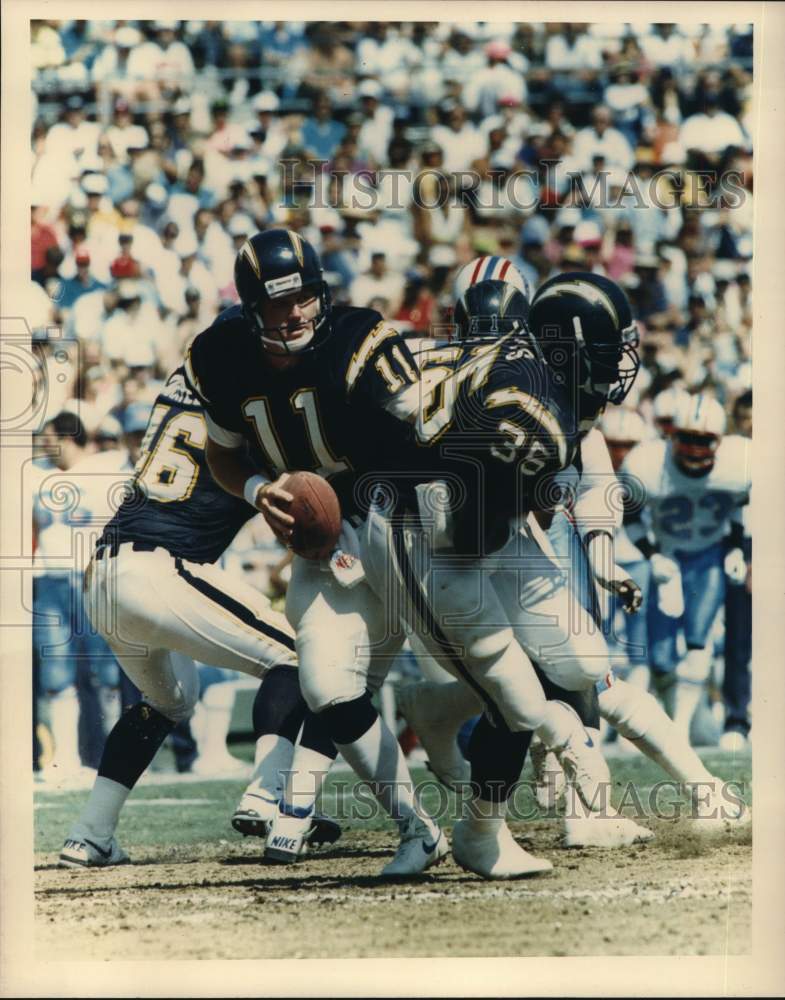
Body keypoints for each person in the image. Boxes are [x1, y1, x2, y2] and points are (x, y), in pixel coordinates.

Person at [183, 228, 446, 877]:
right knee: (328, 687)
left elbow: (431, 437)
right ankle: (418, 828)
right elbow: (220, 455)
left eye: (303, 296)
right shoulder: (220, 355)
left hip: (402, 524)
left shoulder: (359, 341)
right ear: (251, 308)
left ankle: (563, 779)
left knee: (479, 677)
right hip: (326, 543)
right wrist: (256, 488)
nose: (296, 312)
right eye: (278, 303)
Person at [59, 366, 339, 867]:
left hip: (100, 575)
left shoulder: (180, 390)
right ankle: (267, 796)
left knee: (168, 701)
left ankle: (91, 833)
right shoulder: (251, 413)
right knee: (299, 656)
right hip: (159, 569)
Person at [621, 392, 750, 741]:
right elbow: (629, 514)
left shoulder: (740, 462)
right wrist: (652, 554)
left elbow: (744, 503)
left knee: (698, 643)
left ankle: (678, 730)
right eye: (686, 438)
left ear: (719, 441)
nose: (694, 448)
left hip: (708, 555)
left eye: (703, 439)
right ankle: (673, 719)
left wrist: (737, 548)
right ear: (670, 436)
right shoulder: (647, 463)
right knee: (660, 659)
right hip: (670, 557)